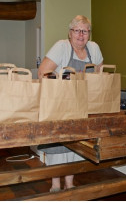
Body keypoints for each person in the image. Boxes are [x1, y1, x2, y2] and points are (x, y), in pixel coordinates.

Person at [37, 15, 104, 192]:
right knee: (58, 144)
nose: (81, 35)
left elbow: (100, 75)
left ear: (89, 33)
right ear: (70, 33)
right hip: (60, 104)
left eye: (85, 31)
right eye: (77, 30)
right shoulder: (61, 47)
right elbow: (43, 72)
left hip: (83, 105)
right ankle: (55, 185)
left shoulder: (94, 49)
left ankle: (70, 183)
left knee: (76, 144)